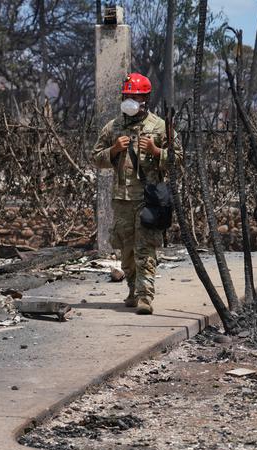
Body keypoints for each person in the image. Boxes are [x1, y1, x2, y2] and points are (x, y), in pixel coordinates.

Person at [91, 72, 183, 315]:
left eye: (135, 96)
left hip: (148, 199)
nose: (129, 100)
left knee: (145, 248)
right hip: (122, 199)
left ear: (145, 99)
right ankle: (132, 290)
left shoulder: (160, 127)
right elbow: (95, 157)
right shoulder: (113, 127)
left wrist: (156, 151)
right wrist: (113, 150)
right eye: (127, 95)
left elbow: (178, 160)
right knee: (127, 250)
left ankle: (145, 296)